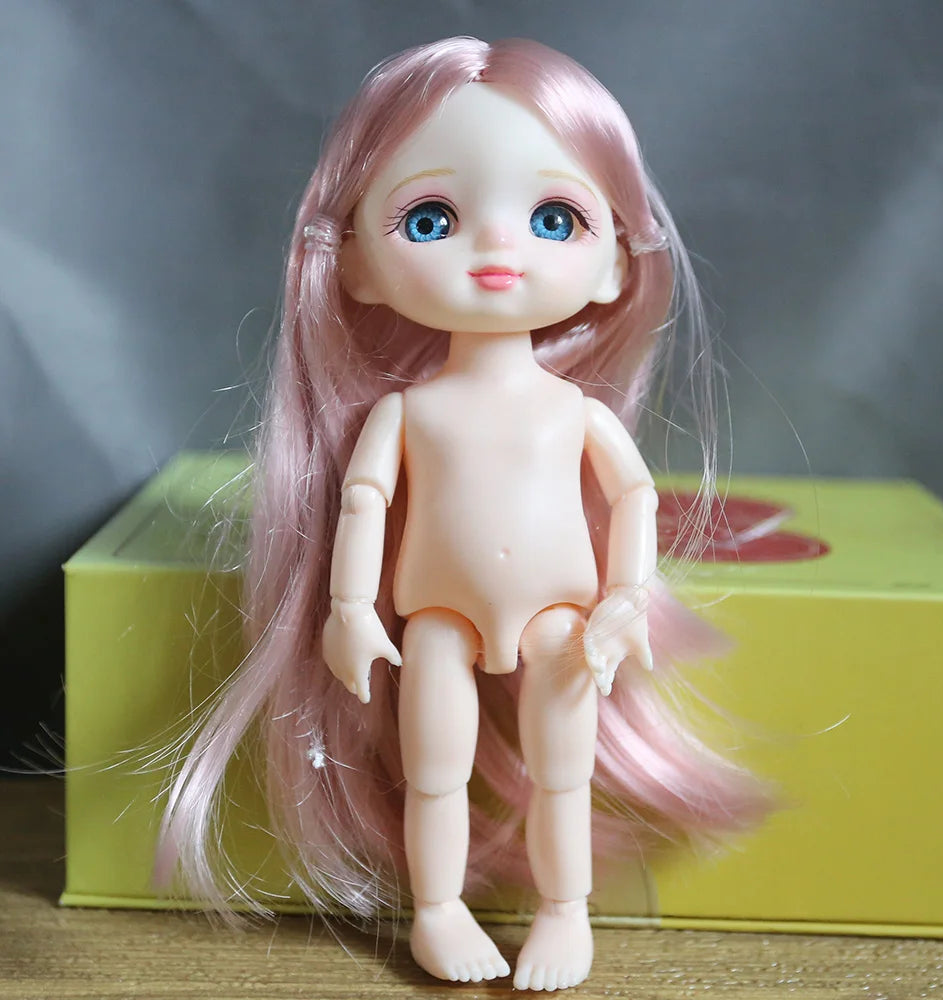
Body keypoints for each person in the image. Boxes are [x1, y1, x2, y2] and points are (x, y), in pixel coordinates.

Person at [158, 37, 765, 993]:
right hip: (434, 619)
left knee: (563, 772)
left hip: (563, 620)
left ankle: (565, 912)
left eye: (556, 219)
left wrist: (625, 598)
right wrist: (348, 611)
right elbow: (363, 500)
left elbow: (634, 496)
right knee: (432, 771)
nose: (497, 250)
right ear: (355, 268)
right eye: (431, 218)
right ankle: (437, 910)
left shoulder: (574, 414)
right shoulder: (409, 414)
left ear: (615, 266)